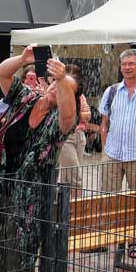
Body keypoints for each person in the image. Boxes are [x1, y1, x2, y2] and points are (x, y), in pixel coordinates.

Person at [0, 47, 77, 272]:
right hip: (0, 184)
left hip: (32, 196)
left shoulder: (59, 123)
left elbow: (68, 114)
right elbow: (1, 72)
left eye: (63, 87)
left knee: (22, 252)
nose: (55, 88)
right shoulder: (25, 99)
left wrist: (63, 82)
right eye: (54, 82)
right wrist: (25, 59)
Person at [99, 48, 136, 192]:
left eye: (131, 64)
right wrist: (105, 150)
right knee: (108, 201)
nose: (127, 67)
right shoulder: (111, 91)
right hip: (112, 156)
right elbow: (104, 123)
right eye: (124, 64)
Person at [57, 64, 92, 197]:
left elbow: (87, 115)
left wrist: (80, 115)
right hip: (67, 137)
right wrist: (80, 115)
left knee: (68, 176)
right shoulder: (60, 93)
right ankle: (75, 208)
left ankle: (64, 207)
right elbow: (70, 116)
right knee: (75, 176)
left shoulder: (80, 95)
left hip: (80, 136)